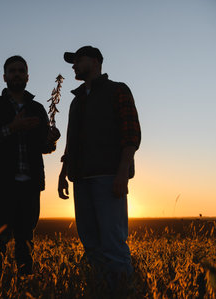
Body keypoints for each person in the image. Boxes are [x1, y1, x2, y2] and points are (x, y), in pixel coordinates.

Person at [58, 46, 141, 292]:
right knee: (91, 244)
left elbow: (131, 134)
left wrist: (122, 173)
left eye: (78, 60)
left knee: (113, 244)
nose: (73, 66)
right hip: (80, 179)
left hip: (108, 177)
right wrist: (63, 174)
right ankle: (100, 290)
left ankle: (123, 292)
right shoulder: (76, 101)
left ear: (95, 61)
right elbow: (71, 142)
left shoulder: (118, 90)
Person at [0, 55, 60, 289]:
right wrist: (12, 128)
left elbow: (44, 148)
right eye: (12, 71)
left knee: (26, 239)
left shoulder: (37, 108)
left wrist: (51, 140)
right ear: (4, 77)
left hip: (31, 184)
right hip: (1, 184)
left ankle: (26, 285)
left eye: (20, 70)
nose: (16, 74)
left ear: (27, 76)